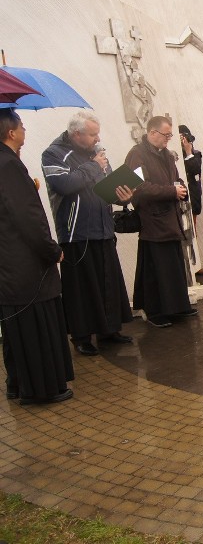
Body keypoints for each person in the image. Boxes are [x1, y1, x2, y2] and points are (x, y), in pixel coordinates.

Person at [41, 110, 134, 356]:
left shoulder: (97, 154)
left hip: (103, 229)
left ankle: (109, 330)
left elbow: (109, 187)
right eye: (93, 134)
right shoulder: (54, 153)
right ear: (77, 134)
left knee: (107, 282)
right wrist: (94, 166)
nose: (98, 138)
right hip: (76, 233)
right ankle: (81, 337)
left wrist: (122, 196)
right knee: (81, 289)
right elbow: (65, 185)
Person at [0, 108, 74, 404]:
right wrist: (52, 249)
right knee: (34, 328)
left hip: (9, 266)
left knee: (16, 330)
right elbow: (27, 219)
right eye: (22, 126)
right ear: (11, 132)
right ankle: (42, 390)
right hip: (26, 266)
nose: (25, 131)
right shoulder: (8, 166)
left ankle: (18, 384)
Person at [126, 116, 196, 328]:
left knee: (173, 266)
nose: (168, 139)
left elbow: (174, 178)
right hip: (153, 221)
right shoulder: (136, 154)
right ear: (152, 133)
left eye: (170, 135)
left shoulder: (166, 154)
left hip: (170, 218)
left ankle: (177, 306)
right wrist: (170, 191)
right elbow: (138, 187)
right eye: (166, 135)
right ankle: (155, 311)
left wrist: (180, 188)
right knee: (157, 270)